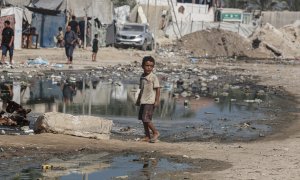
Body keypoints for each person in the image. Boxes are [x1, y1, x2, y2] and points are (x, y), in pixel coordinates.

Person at [136, 56, 160, 143]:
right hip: (143, 100)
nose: (149, 67)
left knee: (146, 118)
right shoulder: (142, 77)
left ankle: (155, 132)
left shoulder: (153, 77)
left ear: (153, 67)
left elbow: (158, 89)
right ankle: (147, 136)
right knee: (143, 118)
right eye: (147, 65)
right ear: (142, 66)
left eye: (151, 66)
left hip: (150, 101)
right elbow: (141, 89)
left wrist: (157, 100)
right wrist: (138, 99)